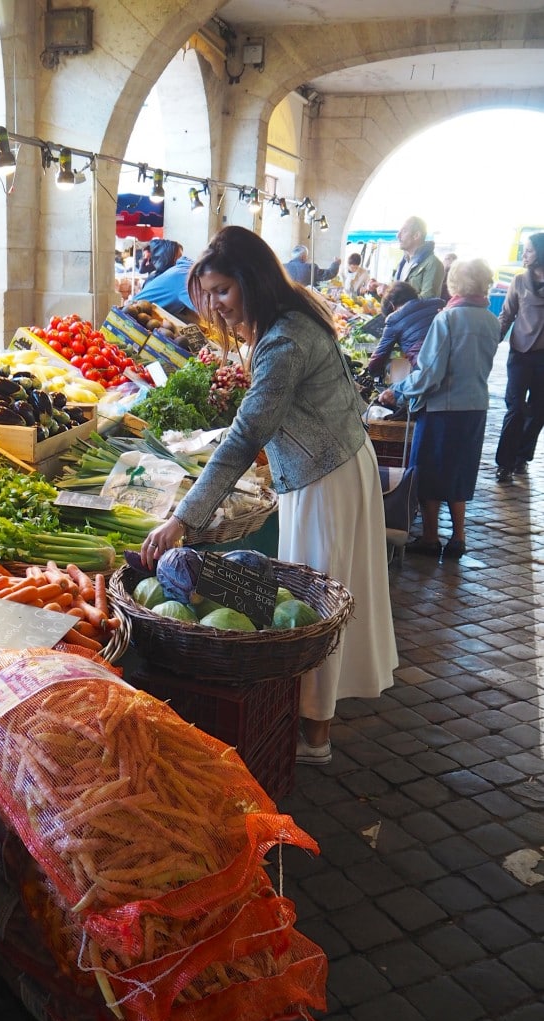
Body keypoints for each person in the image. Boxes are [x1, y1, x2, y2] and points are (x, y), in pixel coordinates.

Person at [140, 226, 397, 765]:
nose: (215, 305)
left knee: (316, 602)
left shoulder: (283, 339)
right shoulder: (291, 318)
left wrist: (182, 520)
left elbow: (245, 436)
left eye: (223, 292)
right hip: (333, 465)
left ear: (251, 281)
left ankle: (316, 736)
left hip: (323, 477)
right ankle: (313, 720)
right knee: (328, 590)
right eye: (207, 294)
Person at [378, 259, 500, 559]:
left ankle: (430, 538)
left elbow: (430, 372)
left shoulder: (447, 319)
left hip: (442, 409)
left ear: (454, 283)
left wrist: (398, 390)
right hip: (475, 407)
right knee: (460, 471)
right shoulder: (491, 320)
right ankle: (459, 536)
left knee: (429, 471)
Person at [494, 231, 544, 482]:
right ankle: (504, 463)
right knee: (515, 407)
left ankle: (523, 456)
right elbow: (507, 314)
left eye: (530, 250)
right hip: (520, 353)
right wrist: (494, 338)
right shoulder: (519, 281)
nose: (524, 255)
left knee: (538, 410)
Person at [366, 281, 444, 379]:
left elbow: (379, 357)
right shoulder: (439, 303)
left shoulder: (394, 319)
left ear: (392, 306)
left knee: (398, 369)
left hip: (426, 372)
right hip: (453, 362)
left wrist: (374, 375)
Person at [132, 238, 195, 318]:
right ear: (166, 258)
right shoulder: (177, 276)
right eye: (178, 259)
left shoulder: (168, 275)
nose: (180, 262)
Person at [392, 216, 444, 298]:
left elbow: (428, 300)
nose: (398, 235)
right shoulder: (403, 263)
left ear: (416, 235)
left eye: (404, 231)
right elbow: (395, 293)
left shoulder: (432, 263)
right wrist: (382, 289)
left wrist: (396, 298)